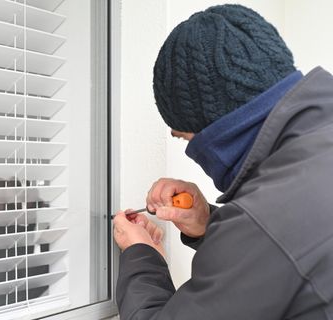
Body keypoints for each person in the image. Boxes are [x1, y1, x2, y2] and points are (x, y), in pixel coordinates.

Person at [113, 4, 333, 319]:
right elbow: (288, 260)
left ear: (217, 130)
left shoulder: (263, 220)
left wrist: (141, 256)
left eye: (184, 138)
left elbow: (270, 237)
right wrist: (210, 225)